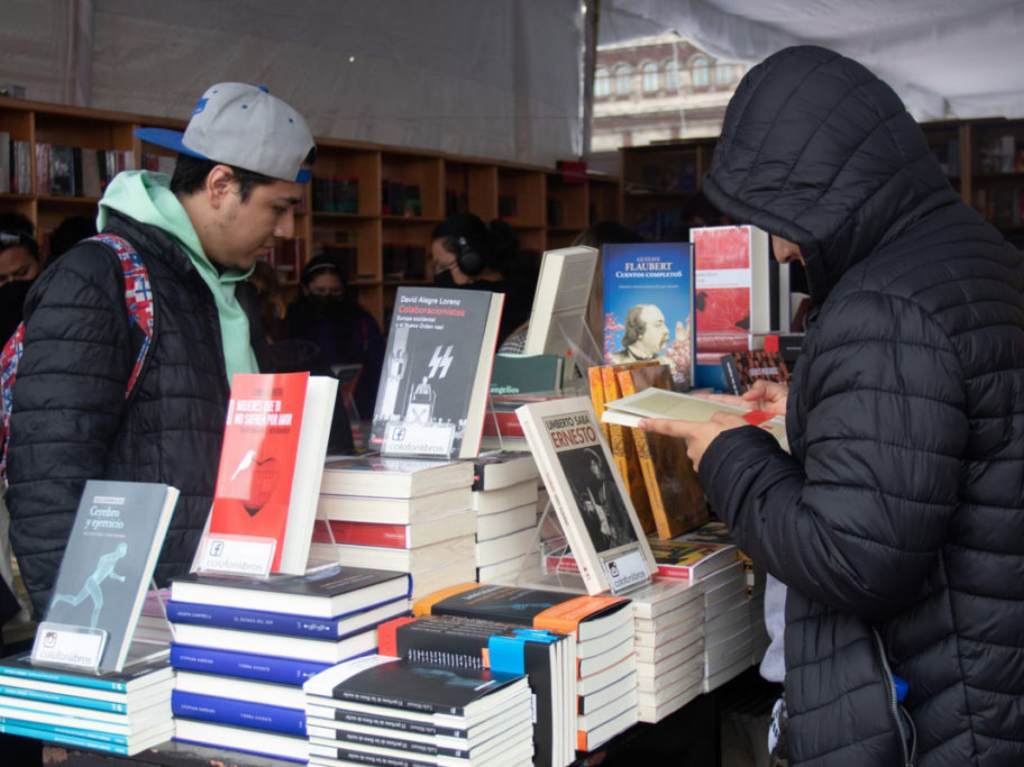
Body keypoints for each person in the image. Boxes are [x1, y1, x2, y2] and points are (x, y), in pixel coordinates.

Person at [641, 46, 1024, 766]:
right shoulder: (974, 254)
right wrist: (810, 409)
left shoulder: (883, 307)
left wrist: (725, 449)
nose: (779, 248)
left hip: (927, 718)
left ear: (827, 192)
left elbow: (852, 557)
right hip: (984, 684)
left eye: (778, 216)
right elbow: (943, 426)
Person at [6, 82, 316, 618]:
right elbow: (47, 475)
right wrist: (77, 628)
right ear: (221, 184)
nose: (287, 230)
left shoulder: (232, 286)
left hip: (222, 593)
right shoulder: (98, 279)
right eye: (279, 207)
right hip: (134, 615)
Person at [286, 253, 385, 420]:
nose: (327, 296)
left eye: (335, 291)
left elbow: (378, 364)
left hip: (359, 407)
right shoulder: (292, 322)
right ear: (305, 289)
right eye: (320, 291)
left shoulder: (362, 321)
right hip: (306, 407)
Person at [430, 213, 532, 344]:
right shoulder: (521, 285)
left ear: (469, 260)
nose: (440, 273)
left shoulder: (511, 297)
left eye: (444, 266)